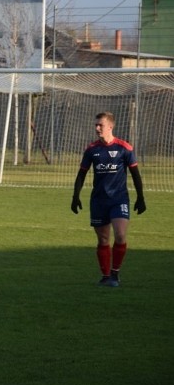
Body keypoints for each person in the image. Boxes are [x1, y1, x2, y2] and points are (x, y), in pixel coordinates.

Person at [71, 111, 146, 287]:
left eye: (100, 125)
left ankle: (115, 273)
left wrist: (141, 197)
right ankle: (105, 277)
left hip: (119, 199)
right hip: (99, 200)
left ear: (110, 127)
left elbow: (135, 175)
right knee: (103, 240)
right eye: (96, 125)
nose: (97, 128)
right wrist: (75, 196)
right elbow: (82, 174)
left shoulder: (124, 148)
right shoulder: (91, 149)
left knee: (120, 235)